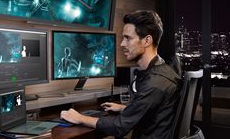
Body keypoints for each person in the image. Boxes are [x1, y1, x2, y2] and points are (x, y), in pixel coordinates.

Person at [60, 10, 181, 139]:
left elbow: (119, 126)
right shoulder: (163, 71)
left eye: (128, 38)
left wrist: (80, 118)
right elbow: (153, 110)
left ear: (147, 41)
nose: (122, 44)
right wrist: (125, 109)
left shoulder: (154, 83)